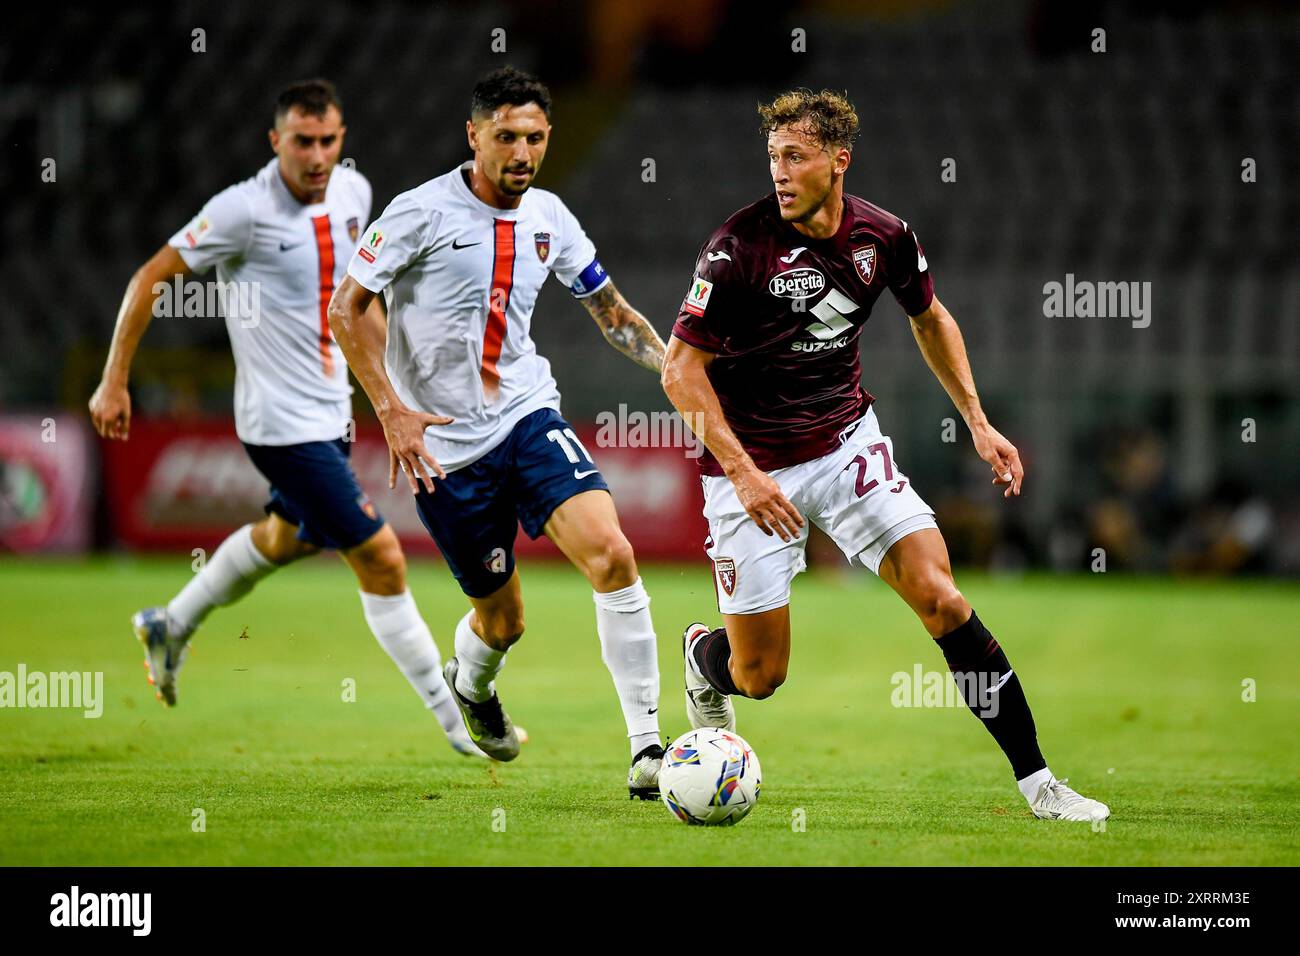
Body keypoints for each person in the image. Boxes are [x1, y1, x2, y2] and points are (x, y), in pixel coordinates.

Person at [660, 88, 1110, 822]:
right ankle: (703, 659)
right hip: (751, 465)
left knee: (941, 596)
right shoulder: (737, 247)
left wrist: (977, 420)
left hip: (846, 445)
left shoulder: (885, 236)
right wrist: (742, 473)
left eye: (796, 156)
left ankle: (1040, 785)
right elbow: (679, 370)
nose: (780, 170)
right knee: (762, 674)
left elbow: (929, 317)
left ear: (839, 161)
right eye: (774, 156)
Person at [88, 79, 481, 757]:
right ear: (277, 142)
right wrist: (114, 378)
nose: (318, 155)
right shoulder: (241, 211)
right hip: (279, 427)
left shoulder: (355, 195)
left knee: (284, 538)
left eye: (330, 140)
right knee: (383, 559)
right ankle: (459, 723)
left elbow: (360, 303)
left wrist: (396, 385)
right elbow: (150, 276)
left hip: (331, 416)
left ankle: (169, 623)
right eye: (303, 141)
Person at [328, 67, 669, 797]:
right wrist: (389, 409)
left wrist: (676, 370)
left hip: (525, 415)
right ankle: (473, 688)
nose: (522, 152)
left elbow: (612, 314)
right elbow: (346, 306)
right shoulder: (419, 213)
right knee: (503, 619)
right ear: (474, 135)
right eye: (507, 137)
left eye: (536, 138)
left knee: (612, 554)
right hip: (445, 451)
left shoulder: (550, 216)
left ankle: (647, 750)